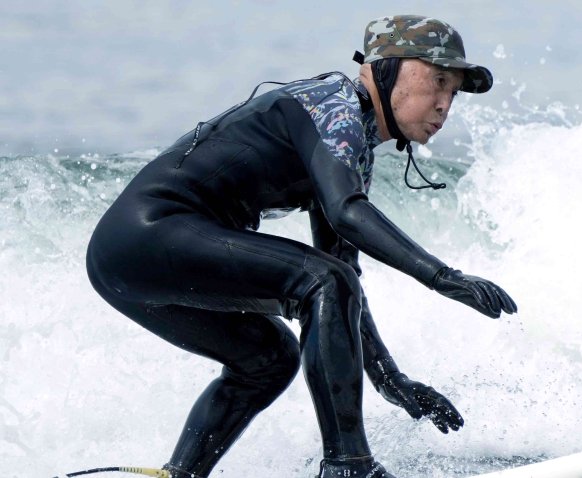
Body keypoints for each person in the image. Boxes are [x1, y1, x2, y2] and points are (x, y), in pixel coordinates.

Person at [86, 14, 517, 478]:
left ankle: (182, 474)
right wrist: (443, 277)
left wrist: (392, 380)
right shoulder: (331, 107)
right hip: (147, 233)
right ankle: (348, 466)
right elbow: (346, 215)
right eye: (437, 81)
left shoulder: (351, 141)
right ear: (388, 68)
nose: (444, 104)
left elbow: (341, 277)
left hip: (124, 261)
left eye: (453, 92)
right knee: (322, 281)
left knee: (269, 360)